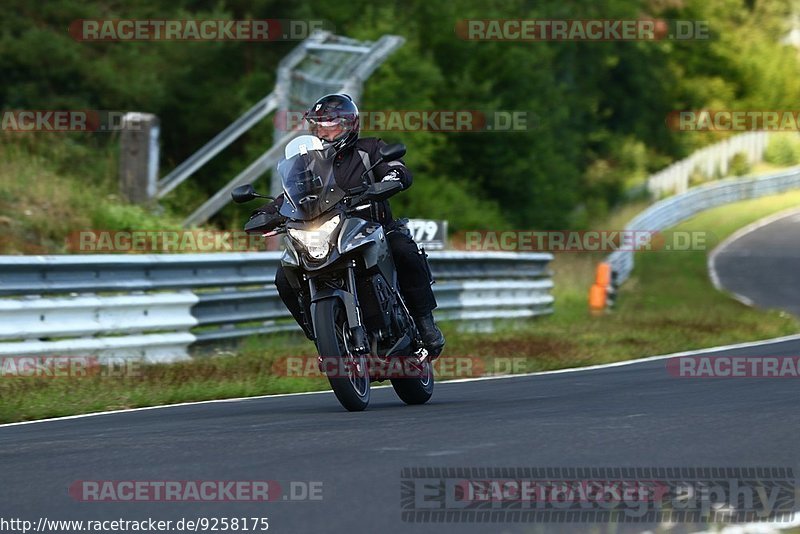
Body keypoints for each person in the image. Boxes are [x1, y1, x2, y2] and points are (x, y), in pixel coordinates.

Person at [253, 93, 445, 357]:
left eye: (333, 125)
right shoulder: (307, 161)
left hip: (373, 228)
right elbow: (288, 195)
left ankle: (425, 324)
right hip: (327, 234)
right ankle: (322, 333)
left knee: (403, 249)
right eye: (320, 126)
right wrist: (265, 213)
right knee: (284, 277)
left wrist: (393, 176)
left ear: (349, 125)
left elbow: (396, 166)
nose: (326, 132)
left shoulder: (370, 149)